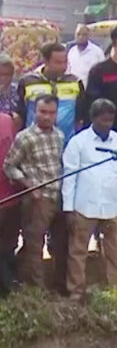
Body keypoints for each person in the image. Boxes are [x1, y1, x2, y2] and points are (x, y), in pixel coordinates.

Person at [62, 99, 117, 300]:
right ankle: (76, 290)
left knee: (115, 252)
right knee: (78, 252)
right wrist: (68, 208)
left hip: (113, 207)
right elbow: (69, 177)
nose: (107, 125)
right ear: (93, 119)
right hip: (84, 206)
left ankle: (116, 292)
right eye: (103, 120)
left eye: (110, 120)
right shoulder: (78, 142)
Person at [4, 94, 66, 291]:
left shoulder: (59, 135)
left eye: (51, 113)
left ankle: (58, 285)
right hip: (37, 199)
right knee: (34, 244)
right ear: (34, 111)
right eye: (42, 112)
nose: (47, 116)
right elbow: (9, 166)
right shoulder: (25, 137)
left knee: (60, 242)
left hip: (58, 196)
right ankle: (37, 290)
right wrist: (29, 185)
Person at [16, 42, 82, 141]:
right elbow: (20, 114)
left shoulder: (75, 82)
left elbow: (80, 116)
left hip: (67, 143)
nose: (63, 67)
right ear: (45, 61)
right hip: (35, 143)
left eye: (65, 62)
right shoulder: (27, 82)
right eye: (58, 62)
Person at [0, 110, 16, 296]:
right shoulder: (8, 120)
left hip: (9, 195)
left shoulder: (7, 120)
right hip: (9, 196)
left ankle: (8, 289)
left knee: (6, 246)